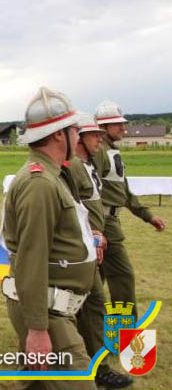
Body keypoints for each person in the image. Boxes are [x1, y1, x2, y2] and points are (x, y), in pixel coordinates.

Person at [1, 87, 97, 389]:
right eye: (74, 130)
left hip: (52, 306)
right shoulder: (40, 182)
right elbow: (32, 258)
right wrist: (38, 330)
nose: (78, 137)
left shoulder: (52, 175)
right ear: (59, 135)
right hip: (49, 311)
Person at [69, 113, 133, 388]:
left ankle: (93, 362)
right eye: (94, 134)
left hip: (91, 243)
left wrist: (98, 235)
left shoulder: (86, 166)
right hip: (79, 248)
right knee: (90, 303)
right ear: (80, 138)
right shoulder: (72, 167)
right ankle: (97, 367)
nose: (100, 139)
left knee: (91, 303)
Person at [92, 100, 165, 318]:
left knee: (93, 285)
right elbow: (88, 191)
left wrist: (147, 216)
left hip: (106, 222)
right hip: (104, 224)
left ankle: (84, 333)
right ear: (103, 128)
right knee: (123, 278)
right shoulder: (100, 153)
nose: (123, 128)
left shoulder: (110, 151)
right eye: (117, 124)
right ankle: (128, 340)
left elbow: (123, 191)